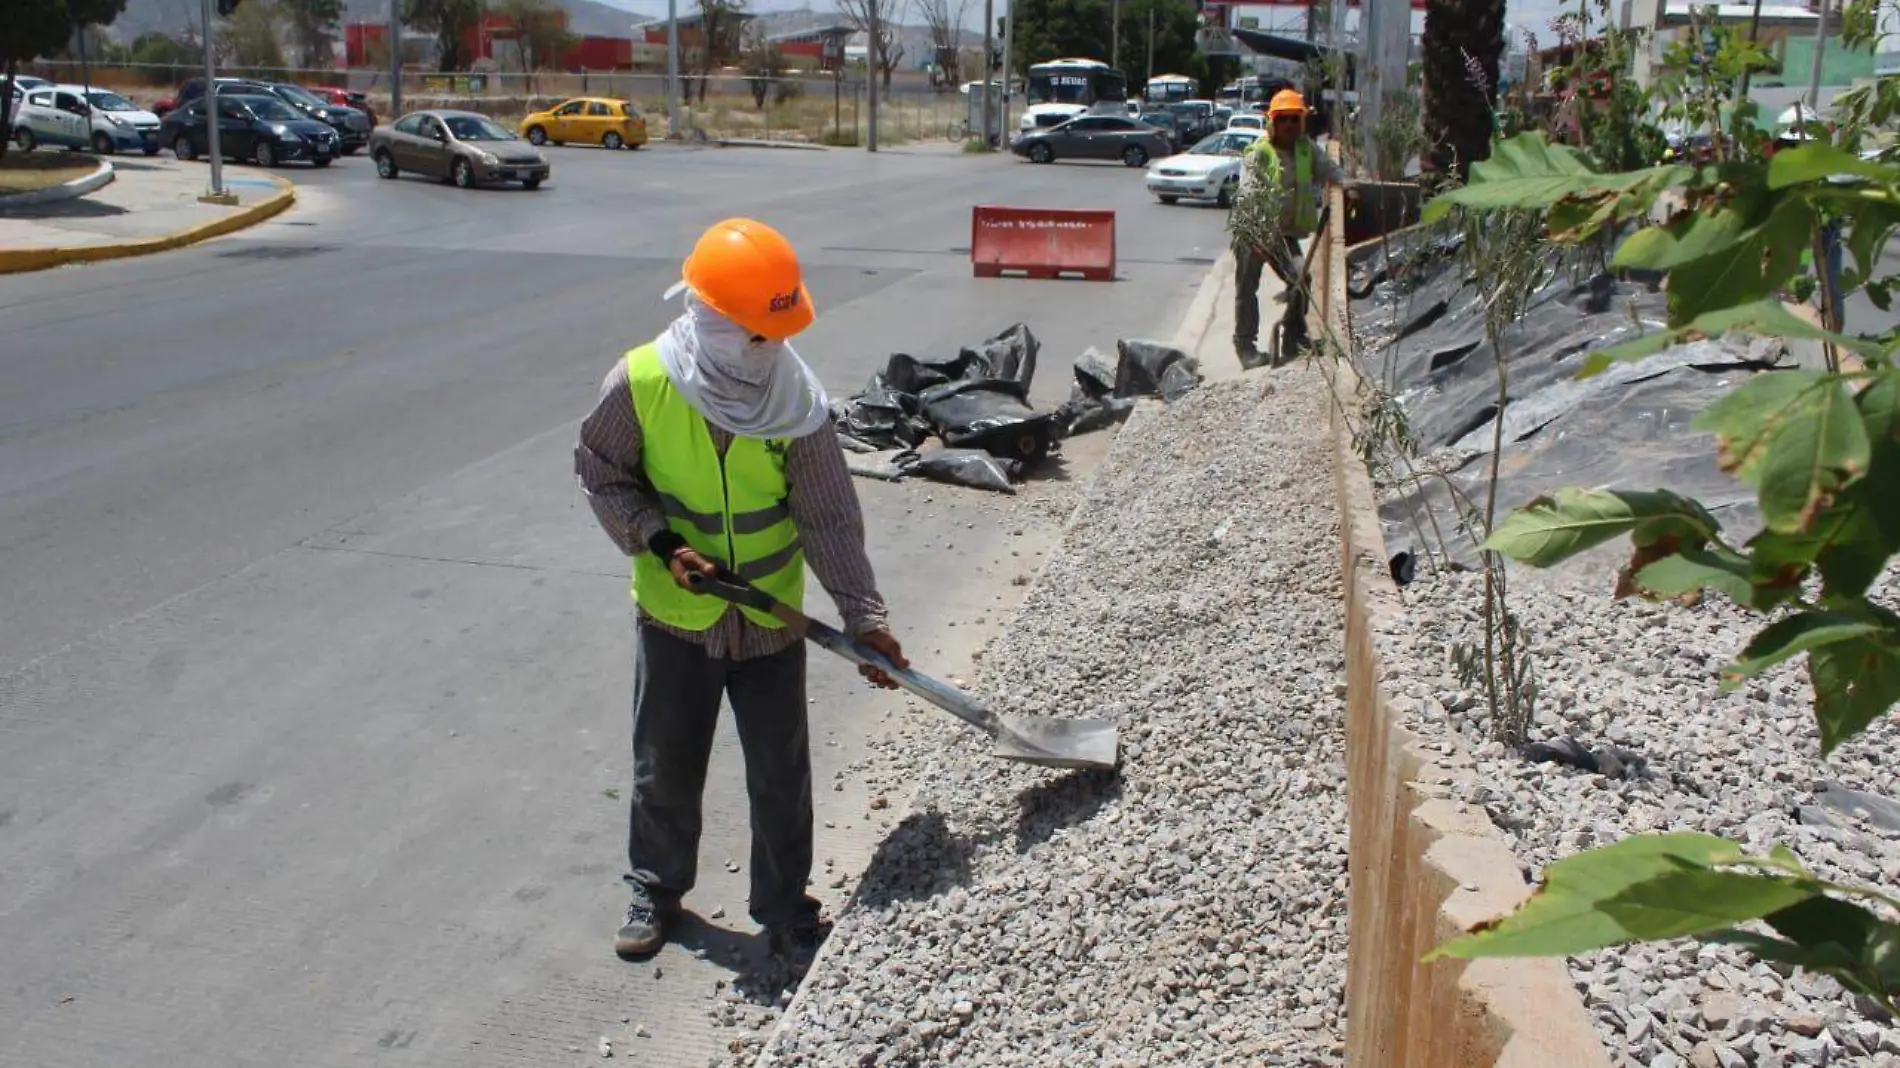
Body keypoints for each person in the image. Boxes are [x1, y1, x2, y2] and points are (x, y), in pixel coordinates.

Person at [574, 218, 909, 970]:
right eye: (756, 333)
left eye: (774, 334)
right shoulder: (642, 384)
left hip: (769, 622)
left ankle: (787, 908)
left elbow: (828, 518)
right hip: (678, 619)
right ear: (712, 318)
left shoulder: (795, 402)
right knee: (665, 761)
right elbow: (602, 472)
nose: (767, 349)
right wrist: (659, 542)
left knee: (780, 773)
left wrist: (866, 619)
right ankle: (655, 889)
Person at [1234, 89, 1353, 368]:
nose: (1288, 125)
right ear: (1272, 122)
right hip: (1255, 232)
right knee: (1247, 289)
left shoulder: (1305, 148)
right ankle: (1245, 347)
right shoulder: (1259, 153)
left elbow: (1330, 170)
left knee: (1302, 279)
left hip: (1284, 234)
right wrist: (1255, 239)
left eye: (1294, 119)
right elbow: (1248, 195)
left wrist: (1348, 185)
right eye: (1283, 119)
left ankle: (1293, 336)